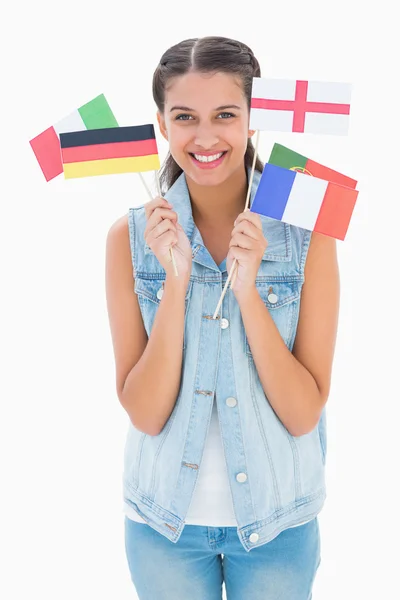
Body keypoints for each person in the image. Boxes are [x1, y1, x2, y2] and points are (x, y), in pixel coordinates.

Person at [105, 35, 339, 600]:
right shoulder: (130, 239)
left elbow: (304, 411)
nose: (205, 137)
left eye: (226, 115)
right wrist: (175, 283)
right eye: (185, 116)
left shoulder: (305, 233)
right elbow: (145, 411)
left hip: (279, 524)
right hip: (165, 528)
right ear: (161, 124)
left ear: (253, 120)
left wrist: (251, 293)